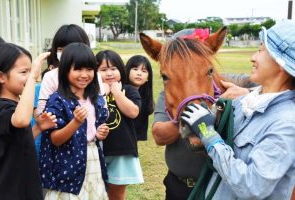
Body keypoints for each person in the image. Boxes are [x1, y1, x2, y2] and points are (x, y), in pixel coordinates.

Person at [180, 20, 295, 199]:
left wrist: (207, 132)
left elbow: (252, 186)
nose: (253, 57)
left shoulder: (287, 124)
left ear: (280, 64)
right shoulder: (245, 103)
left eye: (261, 50)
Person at [39, 43, 109, 199]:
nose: (85, 75)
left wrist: (100, 133)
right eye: (78, 69)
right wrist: (76, 123)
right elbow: (55, 140)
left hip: (92, 159)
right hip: (66, 165)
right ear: (65, 71)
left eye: (89, 69)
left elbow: (94, 132)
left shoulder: (95, 99)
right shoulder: (57, 101)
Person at [0, 43, 52, 199]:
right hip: (9, 191)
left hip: (25, 187)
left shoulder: (16, 107)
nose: (30, 75)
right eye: (23, 72)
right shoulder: (1, 108)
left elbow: (18, 141)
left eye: (30, 70)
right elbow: (20, 121)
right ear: (1, 76)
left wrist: (38, 128)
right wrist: (33, 77)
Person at [96, 50, 143, 200]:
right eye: (103, 70)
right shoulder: (91, 92)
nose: (109, 73)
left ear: (121, 70)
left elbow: (133, 112)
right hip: (96, 149)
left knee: (117, 192)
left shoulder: (129, 90)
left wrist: (116, 92)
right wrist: (102, 94)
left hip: (122, 149)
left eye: (113, 69)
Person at [36, 24, 90, 115]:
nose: (65, 54)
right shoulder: (51, 76)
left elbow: (102, 108)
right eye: (60, 49)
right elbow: (41, 112)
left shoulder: (94, 75)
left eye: (70, 49)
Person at [125, 55, 154, 141]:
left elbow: (136, 136)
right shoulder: (120, 92)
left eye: (144, 71)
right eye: (135, 69)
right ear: (127, 71)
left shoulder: (145, 100)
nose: (139, 73)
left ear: (148, 77)